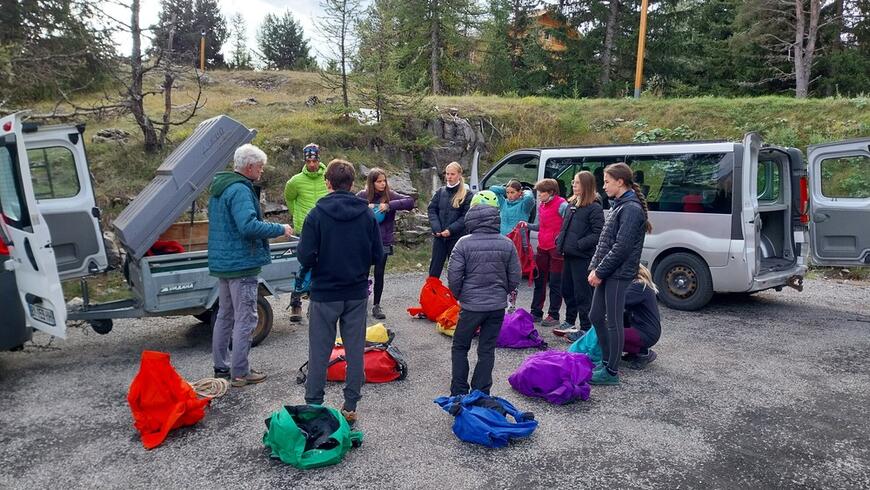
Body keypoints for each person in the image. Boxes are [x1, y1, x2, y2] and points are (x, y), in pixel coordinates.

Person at [296, 159, 384, 425]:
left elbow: (304, 255)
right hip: (356, 292)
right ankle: (350, 406)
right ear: (353, 184)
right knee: (355, 350)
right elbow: (377, 255)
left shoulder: (316, 214)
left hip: (324, 293)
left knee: (319, 352)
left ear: (328, 183)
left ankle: (313, 404)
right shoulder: (367, 214)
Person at [208, 144, 293, 387]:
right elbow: (248, 226)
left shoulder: (220, 188)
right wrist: (280, 229)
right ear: (249, 167)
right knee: (246, 318)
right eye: (260, 167)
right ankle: (240, 372)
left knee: (225, 315)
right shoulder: (240, 190)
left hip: (224, 263)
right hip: (242, 264)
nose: (262, 171)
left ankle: (221, 367)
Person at [447, 190, 521, 396]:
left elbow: (454, 276)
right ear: (496, 216)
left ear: (471, 215)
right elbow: (515, 276)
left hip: (471, 307)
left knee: (460, 346)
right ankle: (481, 391)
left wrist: (460, 295)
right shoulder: (507, 243)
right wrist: (502, 292)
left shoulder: (463, 243)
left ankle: (459, 390)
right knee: (486, 349)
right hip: (496, 307)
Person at [587, 162, 652, 385]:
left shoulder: (631, 209)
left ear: (620, 182)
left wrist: (601, 271)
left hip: (618, 273)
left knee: (613, 322)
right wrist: (594, 268)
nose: (603, 187)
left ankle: (611, 371)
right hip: (607, 271)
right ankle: (606, 360)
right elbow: (606, 242)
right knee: (595, 316)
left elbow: (621, 247)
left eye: (606, 182)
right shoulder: (620, 205)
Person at [356, 168, 416, 320]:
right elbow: (351, 204)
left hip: (383, 241)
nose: (383, 184)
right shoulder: (363, 195)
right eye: (379, 181)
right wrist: (365, 205)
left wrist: (389, 205)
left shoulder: (390, 195)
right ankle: (360, 304)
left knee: (379, 273)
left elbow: (410, 202)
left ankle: (377, 305)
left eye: (384, 181)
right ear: (372, 182)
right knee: (362, 273)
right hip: (365, 241)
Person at [554, 171, 604, 336]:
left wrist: (579, 244)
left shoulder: (594, 207)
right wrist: (560, 240)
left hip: (582, 257)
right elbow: (565, 227)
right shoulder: (572, 204)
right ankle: (569, 321)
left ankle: (585, 328)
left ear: (586, 185)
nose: (573, 185)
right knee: (567, 289)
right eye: (573, 182)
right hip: (568, 254)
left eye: (576, 182)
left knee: (583, 294)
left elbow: (598, 233)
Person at [284, 143, 328, 322]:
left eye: (315, 160)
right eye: (308, 160)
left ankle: (316, 305)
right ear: (305, 160)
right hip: (305, 230)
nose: (312, 164)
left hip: (325, 229)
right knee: (302, 266)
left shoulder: (328, 177)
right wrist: (297, 216)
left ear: (319, 159)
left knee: (322, 267)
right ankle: (296, 303)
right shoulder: (295, 181)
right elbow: (289, 198)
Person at [519, 178, 568, 327]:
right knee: (539, 281)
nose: (539, 195)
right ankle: (536, 312)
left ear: (551, 192)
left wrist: (560, 240)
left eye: (541, 192)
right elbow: (540, 226)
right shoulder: (542, 206)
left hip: (556, 249)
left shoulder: (562, 205)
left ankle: (553, 314)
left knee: (555, 282)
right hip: (543, 247)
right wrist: (527, 225)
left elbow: (569, 225)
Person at [489, 180, 535, 310]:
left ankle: (511, 303)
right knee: (499, 273)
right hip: (501, 241)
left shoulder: (524, 205)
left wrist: (525, 191)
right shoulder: (503, 203)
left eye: (512, 192)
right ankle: (498, 301)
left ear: (519, 193)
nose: (509, 195)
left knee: (513, 273)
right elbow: (492, 188)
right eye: (508, 193)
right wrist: (505, 188)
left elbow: (530, 198)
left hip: (517, 243)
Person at [427, 161, 472, 279]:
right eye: (447, 174)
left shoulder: (467, 194)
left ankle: (455, 295)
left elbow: (465, 216)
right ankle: (432, 295)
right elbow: (432, 210)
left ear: (459, 175)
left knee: (456, 271)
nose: (449, 177)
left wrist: (450, 230)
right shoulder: (440, 192)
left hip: (457, 238)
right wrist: (436, 228)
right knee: (434, 271)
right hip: (439, 238)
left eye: (452, 174)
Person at [620, 264, 661, 369]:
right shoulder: (644, 286)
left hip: (644, 332)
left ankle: (643, 353)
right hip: (648, 331)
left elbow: (618, 301)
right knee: (615, 329)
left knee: (608, 335)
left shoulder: (638, 286)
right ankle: (639, 352)